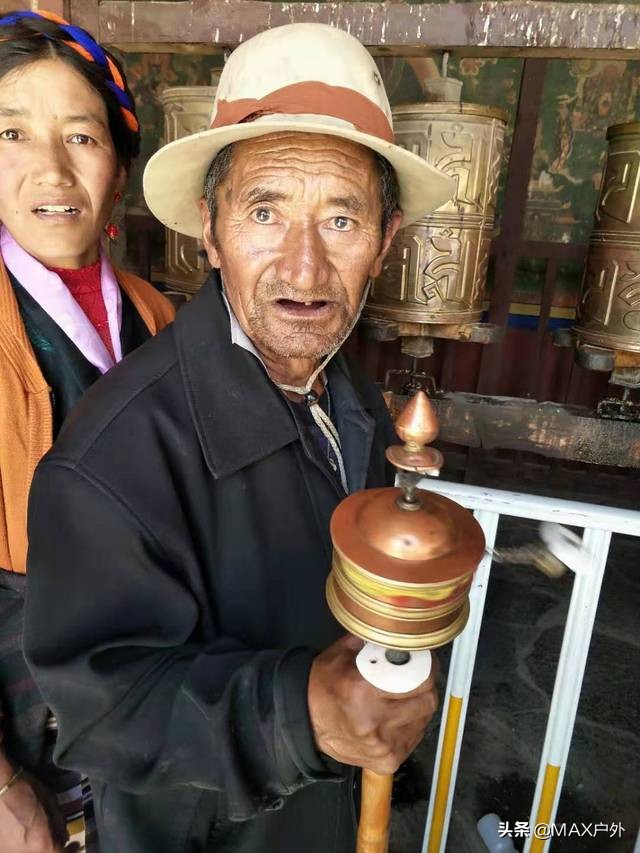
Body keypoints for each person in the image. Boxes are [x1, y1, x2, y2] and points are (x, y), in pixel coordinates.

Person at [24, 23, 455, 853]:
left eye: (341, 219)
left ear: (385, 242)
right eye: (265, 211)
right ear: (209, 231)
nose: (302, 269)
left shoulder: (354, 400)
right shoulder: (110, 458)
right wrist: (302, 713)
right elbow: (104, 707)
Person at [0, 10, 175, 852]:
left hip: (150, 716)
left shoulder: (155, 315)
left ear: (117, 165)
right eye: (11, 131)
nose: (52, 168)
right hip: (24, 721)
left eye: (82, 134)